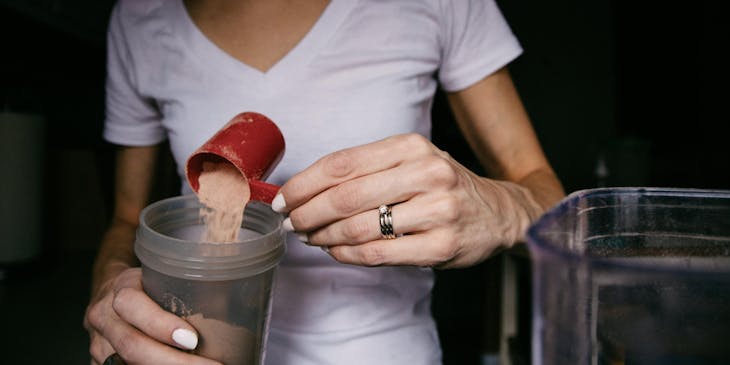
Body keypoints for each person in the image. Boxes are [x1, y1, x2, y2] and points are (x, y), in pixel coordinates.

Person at [84, 0, 565, 364]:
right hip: (201, 351)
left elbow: (545, 194)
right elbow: (127, 219)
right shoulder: (140, 18)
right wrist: (110, 286)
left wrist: (504, 209)